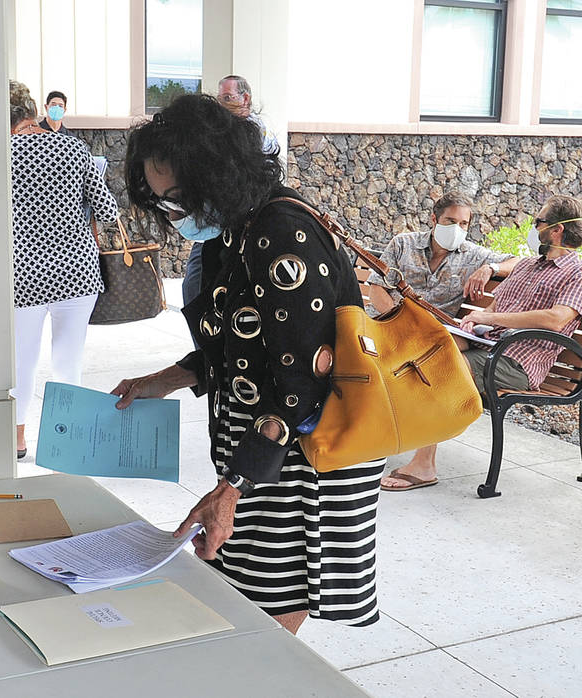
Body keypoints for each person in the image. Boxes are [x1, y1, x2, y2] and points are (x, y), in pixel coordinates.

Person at [114, 94, 386, 635]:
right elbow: (238, 346)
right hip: (264, 443)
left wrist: (232, 487)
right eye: (163, 202)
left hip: (301, 447)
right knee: (242, 588)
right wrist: (162, 381)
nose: (174, 213)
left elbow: (301, 382)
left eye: (178, 197)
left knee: (268, 603)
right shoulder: (236, 230)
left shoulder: (280, 232)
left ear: (217, 174)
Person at [381, 195, 582, 492]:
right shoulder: (526, 266)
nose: (533, 227)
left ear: (556, 230)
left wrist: (491, 318)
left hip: (517, 361)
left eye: (537, 222)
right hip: (488, 344)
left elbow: (556, 319)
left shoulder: (576, 273)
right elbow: (494, 307)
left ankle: (424, 465)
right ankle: (387, 432)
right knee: (422, 350)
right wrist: (473, 323)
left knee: (439, 368)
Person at [9, 81, 117, 459]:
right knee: (68, 362)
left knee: (21, 363)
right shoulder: (75, 148)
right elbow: (107, 211)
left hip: (23, 276)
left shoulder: (2, 156)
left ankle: (17, 439)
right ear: (33, 111)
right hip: (77, 273)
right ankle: (66, 442)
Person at [181, 76, 277, 313]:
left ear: (245, 98)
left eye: (227, 98)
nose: (221, 105)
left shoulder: (255, 131)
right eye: (219, 99)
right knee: (193, 288)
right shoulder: (220, 130)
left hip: (242, 225)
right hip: (215, 224)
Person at [366, 190, 518, 319]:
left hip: (429, 334)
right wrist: (399, 321)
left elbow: (519, 262)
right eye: (450, 221)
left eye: (463, 223)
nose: (456, 229)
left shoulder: (473, 255)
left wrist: (490, 268)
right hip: (383, 319)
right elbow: (377, 288)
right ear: (434, 219)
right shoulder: (403, 243)